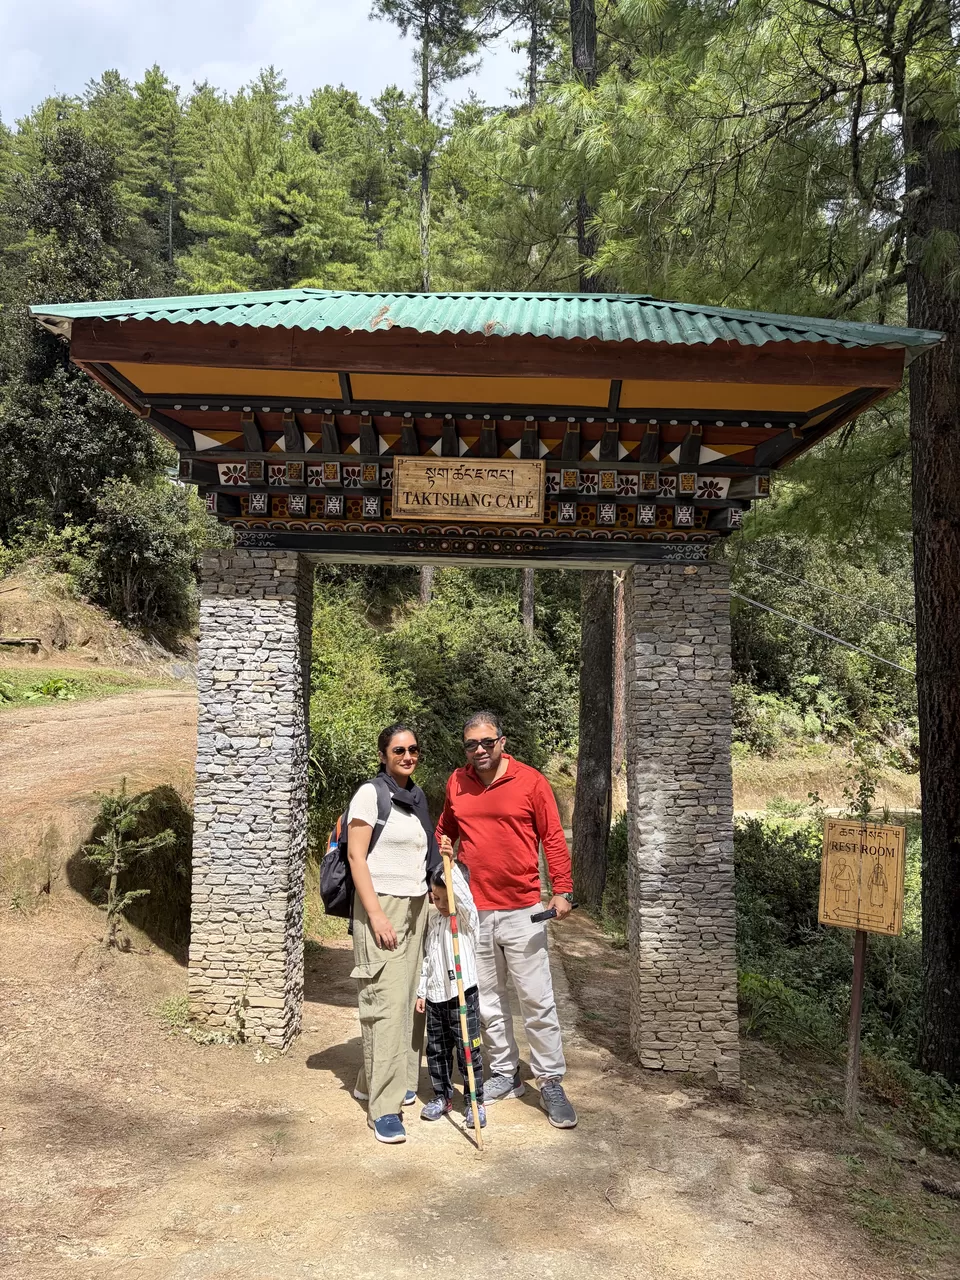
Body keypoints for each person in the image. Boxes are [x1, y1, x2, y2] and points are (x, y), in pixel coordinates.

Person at [435, 711, 578, 1129]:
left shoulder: (530, 781)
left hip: (524, 909)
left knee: (536, 998)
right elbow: (446, 830)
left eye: (486, 742)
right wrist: (443, 873)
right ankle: (504, 1073)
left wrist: (563, 889)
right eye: (471, 744)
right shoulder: (457, 783)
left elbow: (552, 835)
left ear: (502, 741)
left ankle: (550, 1079)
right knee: (489, 1001)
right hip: (475, 911)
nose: (479, 750)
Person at [347, 723, 439, 1144]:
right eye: (399, 749)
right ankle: (382, 1109)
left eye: (413, 749)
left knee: (409, 1002)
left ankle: (387, 1080)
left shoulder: (416, 798)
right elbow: (355, 856)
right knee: (385, 1002)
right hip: (381, 906)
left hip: (417, 906)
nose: (407, 755)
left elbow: (422, 855)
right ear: (384, 754)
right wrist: (375, 915)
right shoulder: (371, 793)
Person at [415, 861, 486, 1128]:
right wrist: (422, 991)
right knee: (436, 1050)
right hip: (436, 998)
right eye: (437, 898)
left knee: (468, 1050)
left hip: (462, 996)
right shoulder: (435, 923)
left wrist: (449, 864)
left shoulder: (466, 920)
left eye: (447, 898)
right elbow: (428, 960)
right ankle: (442, 1095)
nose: (442, 905)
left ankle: (474, 1101)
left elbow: (464, 899)